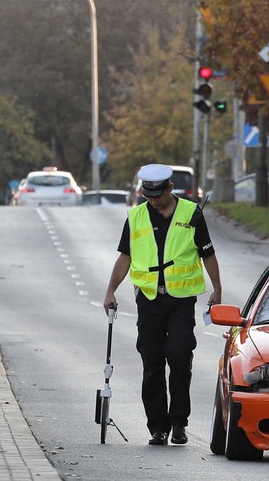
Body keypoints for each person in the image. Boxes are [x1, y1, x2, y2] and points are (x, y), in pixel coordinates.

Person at [102, 164, 222, 447]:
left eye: (157, 195)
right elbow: (125, 257)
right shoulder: (136, 217)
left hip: (181, 300)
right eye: (148, 196)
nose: (153, 201)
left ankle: (179, 423)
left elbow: (208, 253)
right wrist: (110, 290)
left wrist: (217, 288)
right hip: (149, 300)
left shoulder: (192, 214)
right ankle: (158, 427)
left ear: (169, 188)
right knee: (152, 361)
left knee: (179, 355)